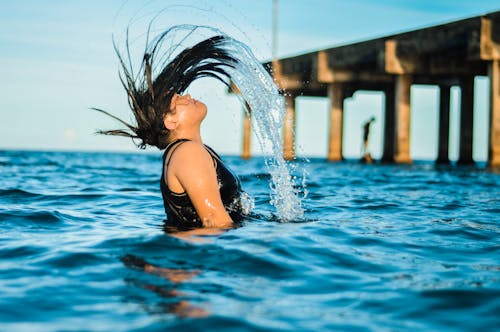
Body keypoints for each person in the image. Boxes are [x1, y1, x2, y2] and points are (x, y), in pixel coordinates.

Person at [92, 28, 244, 229]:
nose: (188, 96)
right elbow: (213, 221)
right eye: (178, 99)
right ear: (170, 122)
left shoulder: (194, 151)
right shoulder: (188, 153)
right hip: (201, 256)